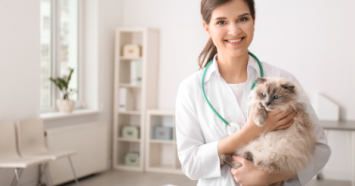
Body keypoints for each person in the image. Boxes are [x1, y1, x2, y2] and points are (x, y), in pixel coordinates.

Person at [175, 0, 331, 185]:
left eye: (242, 18)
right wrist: (251, 131)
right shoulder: (190, 88)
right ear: (207, 28)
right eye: (221, 22)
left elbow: (321, 150)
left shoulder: (281, 79)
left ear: (253, 21)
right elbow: (191, 164)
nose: (234, 31)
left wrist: (269, 176)